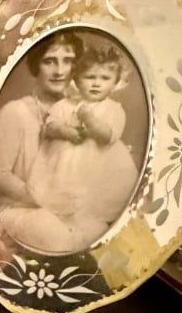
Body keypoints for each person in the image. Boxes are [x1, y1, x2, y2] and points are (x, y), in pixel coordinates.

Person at [0, 31, 87, 252]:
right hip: (19, 210)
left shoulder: (77, 114)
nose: (59, 71)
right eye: (49, 61)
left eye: (67, 61)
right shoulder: (15, 112)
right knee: (56, 236)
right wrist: (43, 200)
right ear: (36, 66)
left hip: (64, 211)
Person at [28, 44, 138, 243]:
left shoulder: (113, 109)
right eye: (89, 77)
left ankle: (88, 230)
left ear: (115, 83)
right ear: (77, 79)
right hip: (63, 163)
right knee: (60, 199)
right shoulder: (64, 105)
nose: (96, 84)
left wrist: (90, 119)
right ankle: (63, 229)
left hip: (98, 166)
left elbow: (108, 136)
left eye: (105, 78)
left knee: (91, 204)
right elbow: (50, 127)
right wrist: (65, 131)